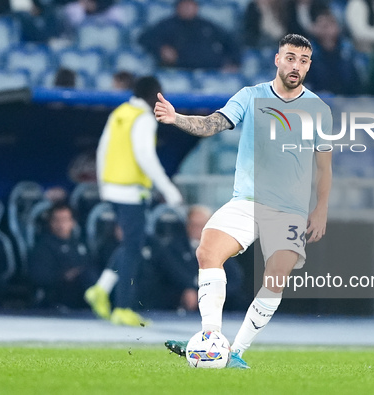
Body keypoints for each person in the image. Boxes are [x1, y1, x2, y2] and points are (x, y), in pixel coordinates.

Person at [155, 34, 333, 369]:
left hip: (289, 210)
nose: (297, 65)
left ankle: (236, 351)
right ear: (277, 60)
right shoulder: (251, 97)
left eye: (304, 60)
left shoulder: (318, 109)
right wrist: (177, 119)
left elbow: (324, 165)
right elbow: (213, 124)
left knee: (275, 277)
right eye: (291, 57)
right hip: (247, 200)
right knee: (207, 250)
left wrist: (320, 208)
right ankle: (210, 338)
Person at [86, 76, 183, 326]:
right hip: (131, 191)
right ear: (153, 94)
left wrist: (103, 184)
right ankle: (123, 307)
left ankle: (100, 288)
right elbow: (145, 156)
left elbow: (102, 149)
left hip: (113, 188)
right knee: (133, 249)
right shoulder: (143, 118)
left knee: (130, 244)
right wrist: (168, 189)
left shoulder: (121, 112)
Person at [28, 202, 98, 309]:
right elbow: (39, 276)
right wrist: (64, 276)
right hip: (57, 294)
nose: (61, 225)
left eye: (65, 220)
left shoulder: (80, 244)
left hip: (83, 292)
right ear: (50, 222)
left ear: (72, 223)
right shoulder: (43, 246)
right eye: (56, 220)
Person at [138, 0, 240, 70]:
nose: (187, 8)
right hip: (177, 71)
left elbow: (232, 42)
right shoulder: (167, 25)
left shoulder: (207, 26)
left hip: (210, 71)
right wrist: (161, 48)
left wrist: (233, 62)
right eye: (184, 4)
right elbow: (144, 38)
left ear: (196, 7)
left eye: (191, 4)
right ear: (178, 7)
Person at [305, 12, 363, 95]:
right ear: (314, 28)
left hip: (346, 101)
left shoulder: (347, 51)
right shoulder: (307, 53)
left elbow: (356, 82)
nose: (327, 31)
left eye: (330, 25)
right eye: (323, 26)